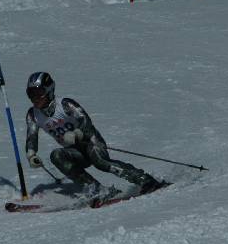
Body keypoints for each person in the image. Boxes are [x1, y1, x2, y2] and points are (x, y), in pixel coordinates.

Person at [24, 71, 164, 196]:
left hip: (90, 141)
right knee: (56, 156)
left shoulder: (65, 104)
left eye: (38, 93)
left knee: (100, 162)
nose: (35, 98)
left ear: (49, 90)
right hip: (75, 151)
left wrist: (77, 134)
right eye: (31, 94)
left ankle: (145, 180)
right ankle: (97, 190)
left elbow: (86, 122)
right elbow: (31, 135)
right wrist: (31, 154)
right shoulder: (33, 115)